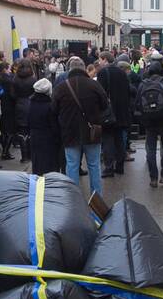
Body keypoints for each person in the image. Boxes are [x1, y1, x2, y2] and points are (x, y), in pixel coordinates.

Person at [53, 56, 109, 196]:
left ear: (69, 69)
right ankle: (97, 201)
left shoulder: (61, 87)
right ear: (84, 68)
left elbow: (53, 110)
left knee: (71, 166)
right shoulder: (94, 85)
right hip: (92, 132)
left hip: (70, 132)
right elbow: (105, 105)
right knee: (94, 165)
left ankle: (74, 200)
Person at [95, 52, 133, 177]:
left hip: (109, 113)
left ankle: (109, 167)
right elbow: (128, 91)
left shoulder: (102, 73)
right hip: (122, 112)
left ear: (105, 60)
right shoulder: (122, 72)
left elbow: (101, 94)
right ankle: (120, 166)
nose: (99, 62)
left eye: (100, 60)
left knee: (108, 141)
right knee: (119, 140)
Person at [27, 78, 61, 176]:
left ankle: (38, 187)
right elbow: (54, 125)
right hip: (48, 138)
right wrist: (58, 138)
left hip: (35, 136)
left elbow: (28, 120)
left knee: (37, 165)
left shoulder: (31, 103)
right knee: (50, 167)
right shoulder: (50, 105)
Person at [12, 59, 36, 162]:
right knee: (30, 131)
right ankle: (30, 154)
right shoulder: (33, 79)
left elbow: (12, 94)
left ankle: (24, 156)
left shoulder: (15, 79)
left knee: (21, 131)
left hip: (19, 105)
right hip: (31, 104)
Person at [0, 61, 17, 160]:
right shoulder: (9, 80)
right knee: (11, 131)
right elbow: (13, 95)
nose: (10, 71)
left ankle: (5, 151)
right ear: (5, 69)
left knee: (4, 130)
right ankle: (5, 152)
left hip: (2, 106)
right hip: (9, 107)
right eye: (9, 69)